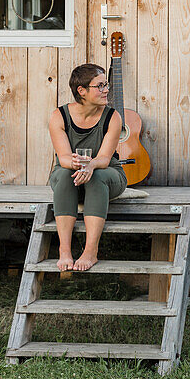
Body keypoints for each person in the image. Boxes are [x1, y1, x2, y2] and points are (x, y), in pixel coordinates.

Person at [48, 63, 127, 271]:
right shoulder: (59, 116)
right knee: (65, 175)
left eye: (106, 85)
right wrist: (76, 164)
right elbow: (63, 157)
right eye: (99, 86)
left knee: (96, 176)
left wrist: (90, 166)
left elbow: (104, 158)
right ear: (81, 91)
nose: (106, 90)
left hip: (107, 173)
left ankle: (91, 251)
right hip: (70, 174)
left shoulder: (113, 117)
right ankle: (64, 250)